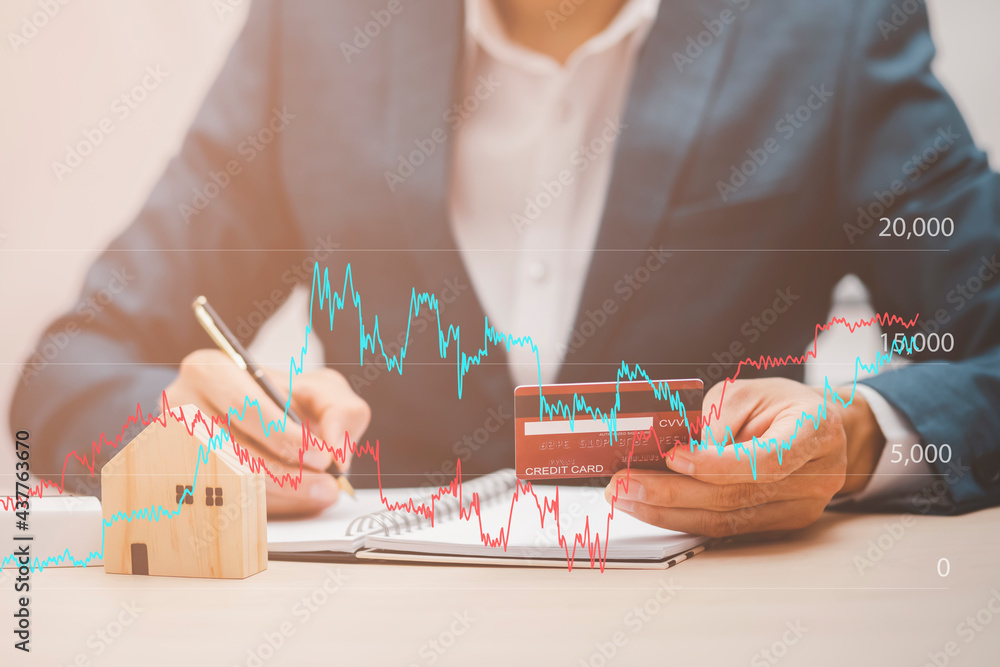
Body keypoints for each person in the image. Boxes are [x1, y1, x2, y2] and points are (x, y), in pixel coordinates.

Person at [12, 0, 1000, 533]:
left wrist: (859, 442)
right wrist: (187, 431)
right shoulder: (314, 31)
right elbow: (66, 369)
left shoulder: (829, 27)